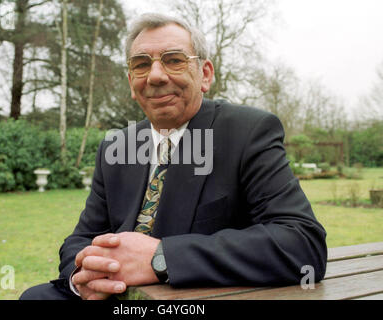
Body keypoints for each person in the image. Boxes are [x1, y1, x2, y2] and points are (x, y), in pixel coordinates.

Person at [20, 13, 327, 300]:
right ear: (131, 82)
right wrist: (82, 273)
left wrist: (162, 257)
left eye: (174, 60)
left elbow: (301, 244)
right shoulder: (116, 146)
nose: (155, 76)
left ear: (205, 74)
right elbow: (81, 238)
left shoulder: (248, 132)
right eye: (141, 64)